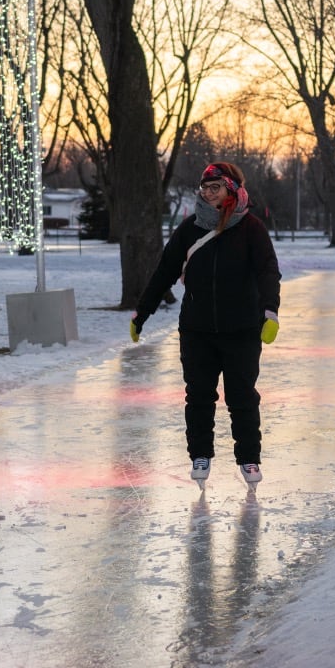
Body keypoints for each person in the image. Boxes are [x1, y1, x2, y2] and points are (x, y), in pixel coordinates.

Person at [130, 162, 281, 488]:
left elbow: (268, 271)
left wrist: (271, 312)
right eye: (205, 187)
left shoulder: (251, 228)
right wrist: (142, 313)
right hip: (197, 330)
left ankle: (249, 458)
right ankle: (200, 454)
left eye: (216, 187)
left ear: (231, 189)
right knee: (198, 395)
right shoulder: (189, 229)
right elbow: (164, 273)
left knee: (242, 396)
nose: (209, 192)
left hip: (242, 330)